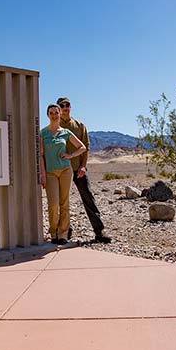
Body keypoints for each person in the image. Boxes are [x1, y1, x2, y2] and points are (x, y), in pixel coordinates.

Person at [56, 97, 111, 243]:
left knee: (88, 199)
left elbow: (85, 147)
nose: (65, 107)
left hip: (78, 170)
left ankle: (99, 231)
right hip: (62, 170)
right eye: (62, 105)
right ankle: (65, 230)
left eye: (67, 105)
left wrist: (83, 166)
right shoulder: (56, 126)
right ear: (58, 108)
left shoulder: (79, 125)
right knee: (63, 201)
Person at [39, 103, 86, 244]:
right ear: (47, 115)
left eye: (56, 112)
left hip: (66, 170)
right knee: (53, 204)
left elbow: (82, 147)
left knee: (64, 203)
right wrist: (42, 174)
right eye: (51, 113)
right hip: (50, 172)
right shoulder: (43, 133)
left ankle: (63, 234)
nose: (54, 115)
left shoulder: (65, 132)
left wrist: (71, 155)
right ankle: (53, 232)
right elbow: (40, 155)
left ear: (60, 114)